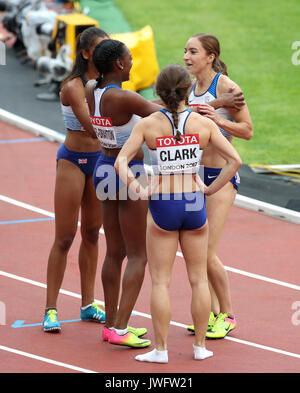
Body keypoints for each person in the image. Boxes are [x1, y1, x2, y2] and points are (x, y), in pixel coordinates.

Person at [115, 64, 242, 363]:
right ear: (188, 92)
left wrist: (139, 189)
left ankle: (160, 351)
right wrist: (210, 189)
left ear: (159, 93)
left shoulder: (148, 124)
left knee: (161, 281)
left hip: (163, 204)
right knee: (198, 279)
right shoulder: (203, 123)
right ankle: (200, 347)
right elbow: (234, 160)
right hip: (194, 204)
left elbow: (121, 161)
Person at [85, 39, 162, 348]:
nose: (133, 64)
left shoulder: (92, 89)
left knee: (114, 251)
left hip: (103, 167)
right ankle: (120, 327)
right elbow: (168, 114)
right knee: (138, 254)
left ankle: (110, 324)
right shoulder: (125, 99)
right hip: (128, 173)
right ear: (118, 64)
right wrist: (219, 102)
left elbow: (91, 77)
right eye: (130, 59)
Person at [184, 33, 253, 338]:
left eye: (193, 51)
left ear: (210, 57)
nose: (186, 56)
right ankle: (212, 315)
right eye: (185, 51)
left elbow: (248, 131)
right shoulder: (190, 87)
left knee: (207, 252)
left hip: (222, 176)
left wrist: (218, 120)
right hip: (195, 173)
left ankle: (228, 315)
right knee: (196, 252)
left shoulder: (226, 86)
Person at [43, 27, 109, 332]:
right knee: (65, 236)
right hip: (72, 161)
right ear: (85, 53)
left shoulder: (108, 86)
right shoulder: (73, 86)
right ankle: (51, 310)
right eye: (99, 48)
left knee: (93, 234)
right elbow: (94, 127)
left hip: (98, 161)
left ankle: (87, 304)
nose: (105, 52)